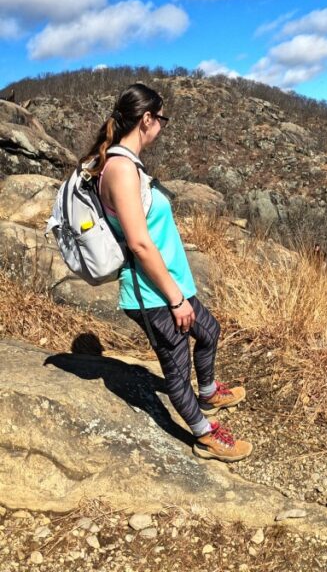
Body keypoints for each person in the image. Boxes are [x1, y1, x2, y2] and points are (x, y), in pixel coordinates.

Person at [82, 83, 252, 462]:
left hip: (170, 282)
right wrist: (175, 299)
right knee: (176, 370)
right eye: (161, 119)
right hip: (153, 292)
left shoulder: (126, 162)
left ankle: (207, 393)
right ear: (146, 120)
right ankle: (205, 435)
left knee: (209, 332)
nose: (162, 126)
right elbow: (140, 244)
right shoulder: (121, 169)